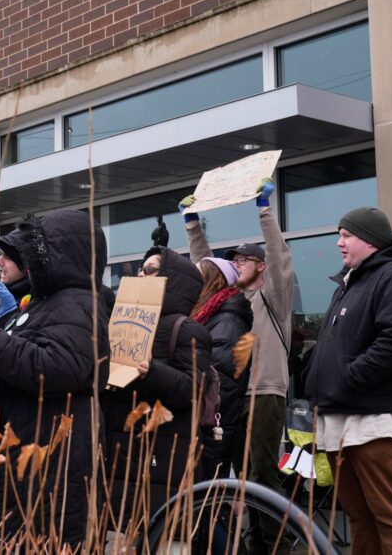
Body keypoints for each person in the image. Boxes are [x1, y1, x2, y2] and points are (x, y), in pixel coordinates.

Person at [0, 210, 110, 549]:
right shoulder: (50, 302)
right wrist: (7, 322)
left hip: (45, 463)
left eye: (35, 251)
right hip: (21, 456)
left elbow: (57, 366)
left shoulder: (77, 303)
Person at [305, 207, 392, 553]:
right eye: (339, 235)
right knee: (361, 519)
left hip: (377, 423)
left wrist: (347, 378)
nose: (339, 243)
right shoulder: (350, 282)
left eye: (347, 235)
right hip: (342, 420)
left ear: (371, 240)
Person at [182, 179, 293, 555]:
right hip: (228, 398)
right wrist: (193, 224)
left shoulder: (273, 296)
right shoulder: (224, 303)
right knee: (229, 479)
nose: (236, 264)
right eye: (234, 261)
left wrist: (265, 211)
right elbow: (207, 266)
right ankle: (244, 543)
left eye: (243, 259)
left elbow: (280, 259)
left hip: (262, 393)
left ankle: (276, 546)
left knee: (260, 475)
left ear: (260, 266)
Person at [102, 244, 212, 532]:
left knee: (161, 532)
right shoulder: (121, 323)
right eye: (140, 269)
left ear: (170, 280)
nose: (140, 274)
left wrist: (153, 371)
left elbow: (192, 391)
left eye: (149, 270)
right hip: (122, 449)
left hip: (163, 455)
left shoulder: (187, 330)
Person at [192, 257, 253, 480]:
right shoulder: (212, 316)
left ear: (210, 280)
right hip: (209, 426)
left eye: (197, 275)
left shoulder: (228, 321)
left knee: (210, 496)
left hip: (213, 428)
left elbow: (222, 383)